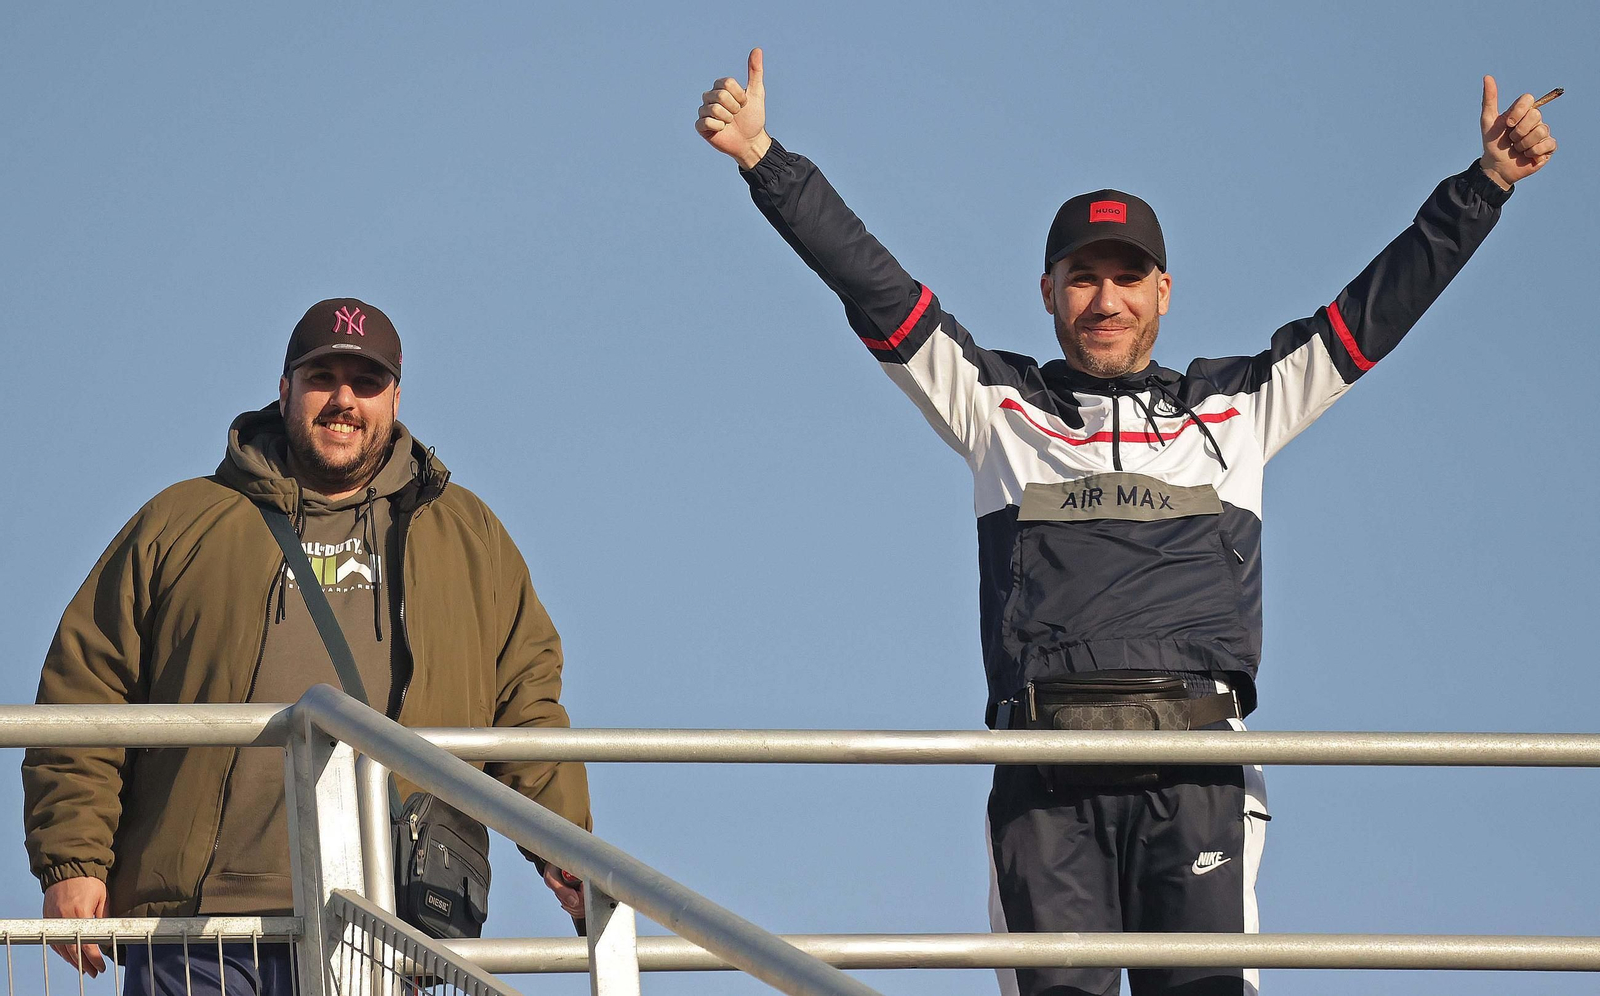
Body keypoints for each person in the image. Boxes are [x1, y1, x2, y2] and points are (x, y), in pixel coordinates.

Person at [696, 50, 1556, 996]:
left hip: (1198, 772)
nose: (1106, 301)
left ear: (1163, 293)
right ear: (1048, 292)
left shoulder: (1240, 408)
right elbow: (875, 285)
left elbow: (1374, 310)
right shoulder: (996, 406)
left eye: (1127, 278)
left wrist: (1485, 186)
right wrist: (764, 159)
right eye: (1083, 278)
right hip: (1044, 775)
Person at [22, 299, 592, 993]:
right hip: (198, 929)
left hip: (384, 926)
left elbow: (525, 705)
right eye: (323, 377)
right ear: (285, 388)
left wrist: (565, 848)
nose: (344, 400)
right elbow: (87, 687)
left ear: (396, 398)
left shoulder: (469, 536)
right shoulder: (182, 521)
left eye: (367, 382)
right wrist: (73, 861)